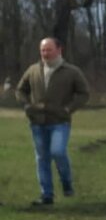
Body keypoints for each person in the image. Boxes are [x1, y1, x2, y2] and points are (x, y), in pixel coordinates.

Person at [15, 37, 90, 206]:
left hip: (59, 122)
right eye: (42, 50)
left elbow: (84, 93)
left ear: (59, 50)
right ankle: (46, 195)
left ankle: (66, 181)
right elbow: (20, 90)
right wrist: (27, 106)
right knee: (42, 158)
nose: (45, 53)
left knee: (58, 152)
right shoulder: (33, 70)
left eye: (48, 50)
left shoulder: (71, 71)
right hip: (37, 122)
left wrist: (68, 109)